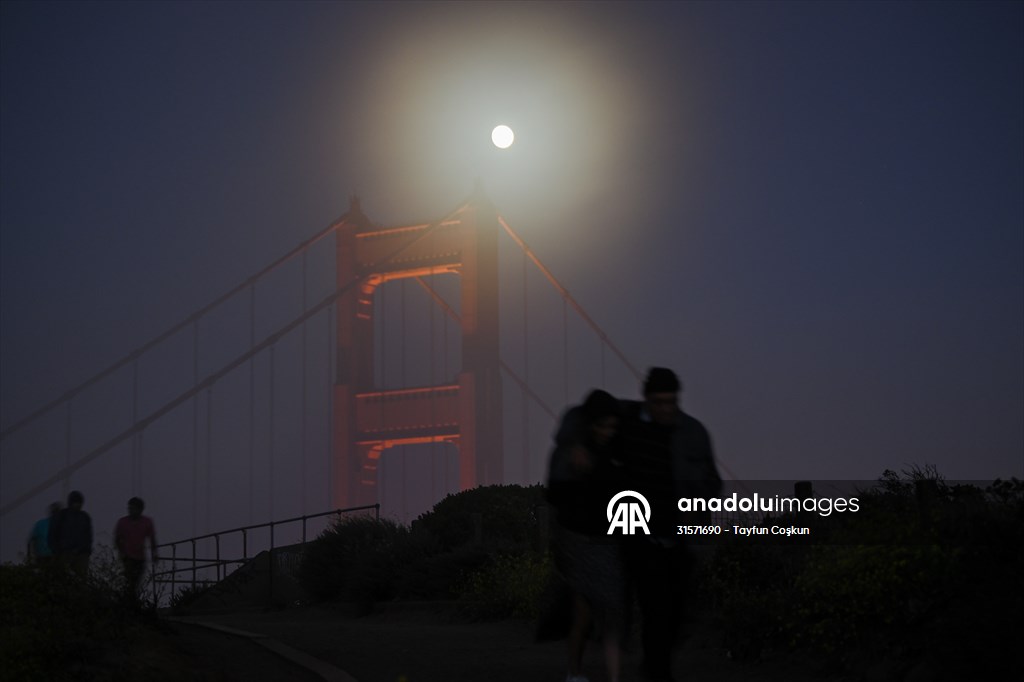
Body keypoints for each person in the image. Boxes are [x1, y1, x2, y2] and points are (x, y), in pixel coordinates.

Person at [617, 367, 722, 682]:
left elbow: (712, 481)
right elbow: (583, 417)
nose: (665, 408)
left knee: (681, 614)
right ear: (647, 399)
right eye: (659, 402)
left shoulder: (693, 432)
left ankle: (653, 665)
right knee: (656, 611)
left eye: (671, 402)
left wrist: (697, 506)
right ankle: (658, 672)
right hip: (641, 541)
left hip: (680, 539)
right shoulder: (627, 421)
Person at [547, 389, 627, 682]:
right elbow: (556, 495)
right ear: (591, 423)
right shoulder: (572, 452)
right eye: (602, 425)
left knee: (611, 616)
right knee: (583, 614)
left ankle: (612, 677)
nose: (608, 431)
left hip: (608, 541)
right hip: (581, 542)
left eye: (611, 426)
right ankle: (574, 673)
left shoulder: (616, 448)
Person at [113, 496, 158, 599]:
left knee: (136, 582)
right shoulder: (123, 522)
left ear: (140, 509)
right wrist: (122, 553)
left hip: (140, 557)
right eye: (130, 508)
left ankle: (130, 602)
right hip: (127, 557)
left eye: (133, 508)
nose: (131, 511)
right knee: (130, 581)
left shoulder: (147, 522)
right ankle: (130, 602)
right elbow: (117, 539)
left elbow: (152, 539)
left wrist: (154, 553)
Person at [49, 490, 93, 576]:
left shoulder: (84, 517)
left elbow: (89, 535)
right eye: (76, 502)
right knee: (64, 578)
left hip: (81, 554)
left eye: (79, 503)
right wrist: (57, 550)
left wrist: (87, 551)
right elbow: (53, 534)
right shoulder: (62, 515)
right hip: (65, 553)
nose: (78, 505)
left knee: (81, 578)